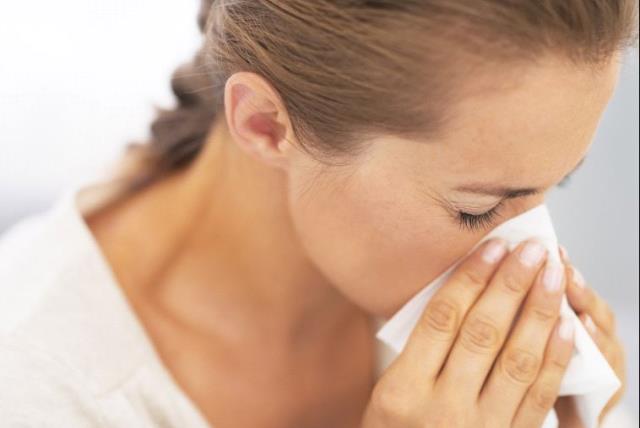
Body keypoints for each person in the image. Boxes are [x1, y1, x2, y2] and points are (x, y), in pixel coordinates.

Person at [0, 1, 637, 427]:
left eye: (560, 183)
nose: (536, 253)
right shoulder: (36, 387)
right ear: (265, 123)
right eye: (478, 210)